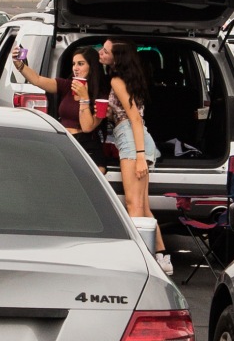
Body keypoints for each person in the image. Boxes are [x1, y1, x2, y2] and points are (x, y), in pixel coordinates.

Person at [98, 36, 156, 219]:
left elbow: (135, 119)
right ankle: (160, 249)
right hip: (140, 137)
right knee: (144, 207)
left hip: (131, 140)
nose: (101, 52)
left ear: (117, 58)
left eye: (106, 51)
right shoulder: (129, 80)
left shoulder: (117, 81)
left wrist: (139, 156)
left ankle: (140, 248)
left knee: (134, 205)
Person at [17, 42, 105, 160]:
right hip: (64, 140)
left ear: (92, 66)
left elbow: (87, 127)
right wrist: (19, 65)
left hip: (85, 145)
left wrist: (84, 98)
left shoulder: (100, 93)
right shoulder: (66, 85)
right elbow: (37, 80)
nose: (75, 68)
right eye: (74, 64)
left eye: (81, 64)